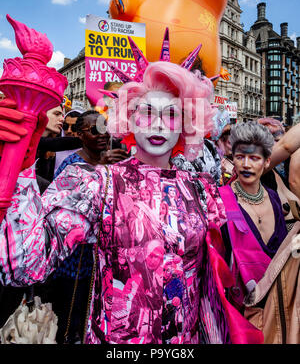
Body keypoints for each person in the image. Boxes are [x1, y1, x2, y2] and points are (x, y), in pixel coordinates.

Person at [0, 46, 264, 344]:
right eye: (147, 111)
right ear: (128, 116)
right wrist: (16, 162)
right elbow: (23, 267)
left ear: (187, 124)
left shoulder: (202, 190)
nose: (159, 123)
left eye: (172, 114)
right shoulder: (98, 184)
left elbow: (225, 279)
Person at [219, 121, 288, 312]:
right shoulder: (220, 201)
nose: (246, 164)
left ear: (267, 161)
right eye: (240, 157)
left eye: (254, 158)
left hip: (277, 309)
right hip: (238, 313)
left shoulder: (274, 199)